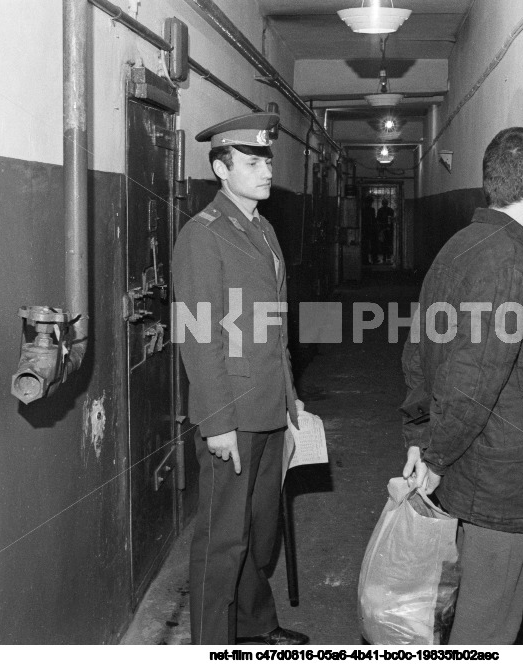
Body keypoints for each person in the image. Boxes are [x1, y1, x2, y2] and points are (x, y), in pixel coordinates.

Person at [399, 126, 523, 645]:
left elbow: (419, 350)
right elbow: (474, 378)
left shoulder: (459, 247)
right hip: (494, 465)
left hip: (461, 456)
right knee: (488, 619)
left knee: (465, 599)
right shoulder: (511, 262)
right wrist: (436, 455)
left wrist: (422, 438)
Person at [171, 112, 309, 646]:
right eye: (252, 162)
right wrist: (217, 422)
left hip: (269, 406)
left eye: (267, 159)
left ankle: (256, 625)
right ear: (220, 168)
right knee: (222, 538)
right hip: (232, 412)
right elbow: (198, 338)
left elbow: (275, 329)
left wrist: (291, 402)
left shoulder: (263, 228)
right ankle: (210, 642)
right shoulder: (201, 237)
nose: (265, 169)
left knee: (259, 529)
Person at [375, 198, 394, 263]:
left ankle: (385, 257)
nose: (385, 204)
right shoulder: (390, 210)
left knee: (384, 243)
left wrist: (380, 227)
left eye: (385, 203)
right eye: (384, 203)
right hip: (387, 229)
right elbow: (392, 220)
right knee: (387, 243)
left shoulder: (380, 210)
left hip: (383, 229)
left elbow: (378, 220)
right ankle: (387, 256)